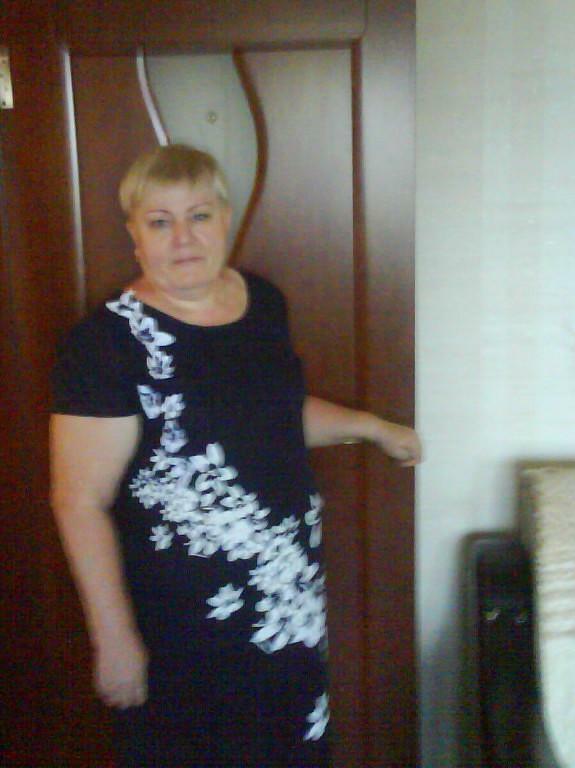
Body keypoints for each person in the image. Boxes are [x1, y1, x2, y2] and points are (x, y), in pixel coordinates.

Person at [50, 144, 421, 767]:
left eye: (199, 215)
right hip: (181, 623)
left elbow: (273, 414)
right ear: (135, 235)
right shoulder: (103, 345)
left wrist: (372, 427)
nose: (183, 238)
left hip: (284, 605)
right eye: (160, 221)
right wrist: (113, 638)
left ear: (226, 219)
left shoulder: (263, 304)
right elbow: (78, 501)